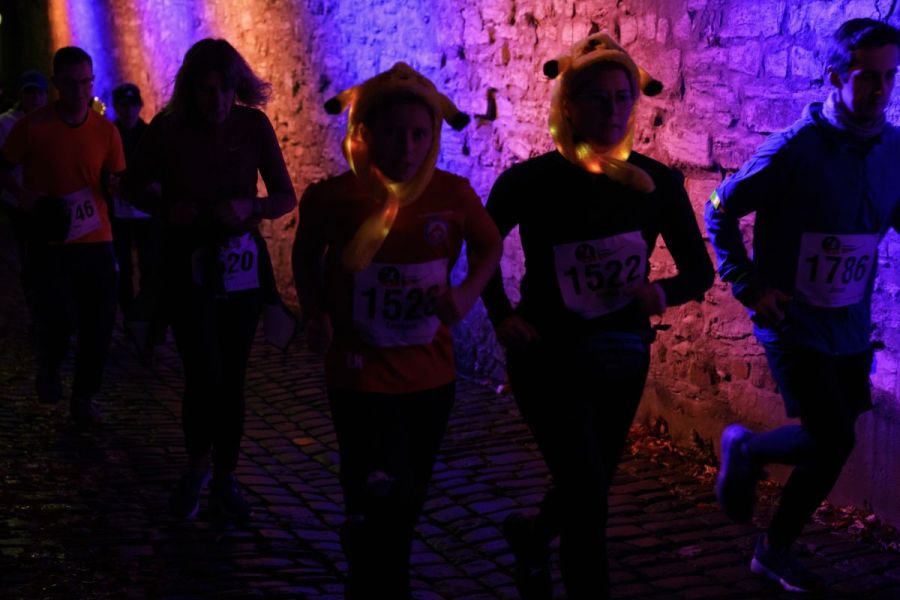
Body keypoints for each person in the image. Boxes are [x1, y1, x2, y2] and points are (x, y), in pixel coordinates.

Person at [480, 33, 714, 599]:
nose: (613, 110)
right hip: (546, 355)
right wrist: (501, 315)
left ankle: (533, 538)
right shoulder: (529, 182)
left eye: (622, 97)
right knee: (587, 492)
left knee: (588, 482)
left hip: (620, 357)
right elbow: (480, 249)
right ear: (568, 106)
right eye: (597, 98)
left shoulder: (656, 183)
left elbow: (699, 272)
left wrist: (661, 293)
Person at [293, 62, 501, 598]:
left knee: (408, 493)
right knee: (376, 484)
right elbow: (305, 254)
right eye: (392, 133)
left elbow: (490, 245)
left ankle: (371, 551)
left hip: (430, 376)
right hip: (359, 376)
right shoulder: (333, 198)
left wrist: (464, 295)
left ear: (433, 137)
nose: (406, 148)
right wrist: (315, 311)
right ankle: (379, 580)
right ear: (364, 133)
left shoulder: (452, 196)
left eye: (419, 134)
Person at [706, 18, 900, 593]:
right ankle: (748, 455)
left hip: (850, 323)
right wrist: (749, 285)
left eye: (890, 77)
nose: (881, 90)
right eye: (868, 77)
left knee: (833, 441)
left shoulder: (893, 150)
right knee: (832, 437)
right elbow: (720, 209)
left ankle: (773, 547)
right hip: (792, 319)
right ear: (836, 76)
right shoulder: (794, 149)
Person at [122, 38, 296, 520]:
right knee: (203, 372)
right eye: (206, 90)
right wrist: (166, 207)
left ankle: (225, 475)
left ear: (236, 87)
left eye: (225, 90)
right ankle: (198, 467)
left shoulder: (253, 126)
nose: (217, 101)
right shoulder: (169, 129)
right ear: (191, 89)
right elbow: (131, 184)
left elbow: (285, 196)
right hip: (188, 264)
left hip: (240, 268)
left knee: (233, 376)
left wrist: (250, 206)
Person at [0, 49, 125, 428]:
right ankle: (50, 365)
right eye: (70, 84)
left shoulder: (106, 131)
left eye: (85, 83)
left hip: (97, 239)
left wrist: (116, 186)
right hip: (50, 241)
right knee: (58, 319)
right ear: (56, 84)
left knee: (99, 323)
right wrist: (25, 198)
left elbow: (115, 176)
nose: (78, 92)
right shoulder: (32, 127)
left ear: (92, 83)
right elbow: (2, 167)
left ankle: (84, 396)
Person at [108, 82, 164, 357]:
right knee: (123, 270)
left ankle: (146, 320)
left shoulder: (150, 135)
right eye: (123, 105)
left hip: (145, 214)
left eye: (132, 105)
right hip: (119, 214)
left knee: (150, 267)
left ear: (139, 106)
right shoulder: (110, 135)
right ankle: (131, 318)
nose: (129, 110)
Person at [0, 70, 49, 321]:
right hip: (18, 199)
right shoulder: (5, 123)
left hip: (44, 197)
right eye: (30, 93)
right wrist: (19, 195)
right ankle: (34, 303)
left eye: (39, 93)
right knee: (29, 252)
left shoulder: (50, 120)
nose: (35, 99)